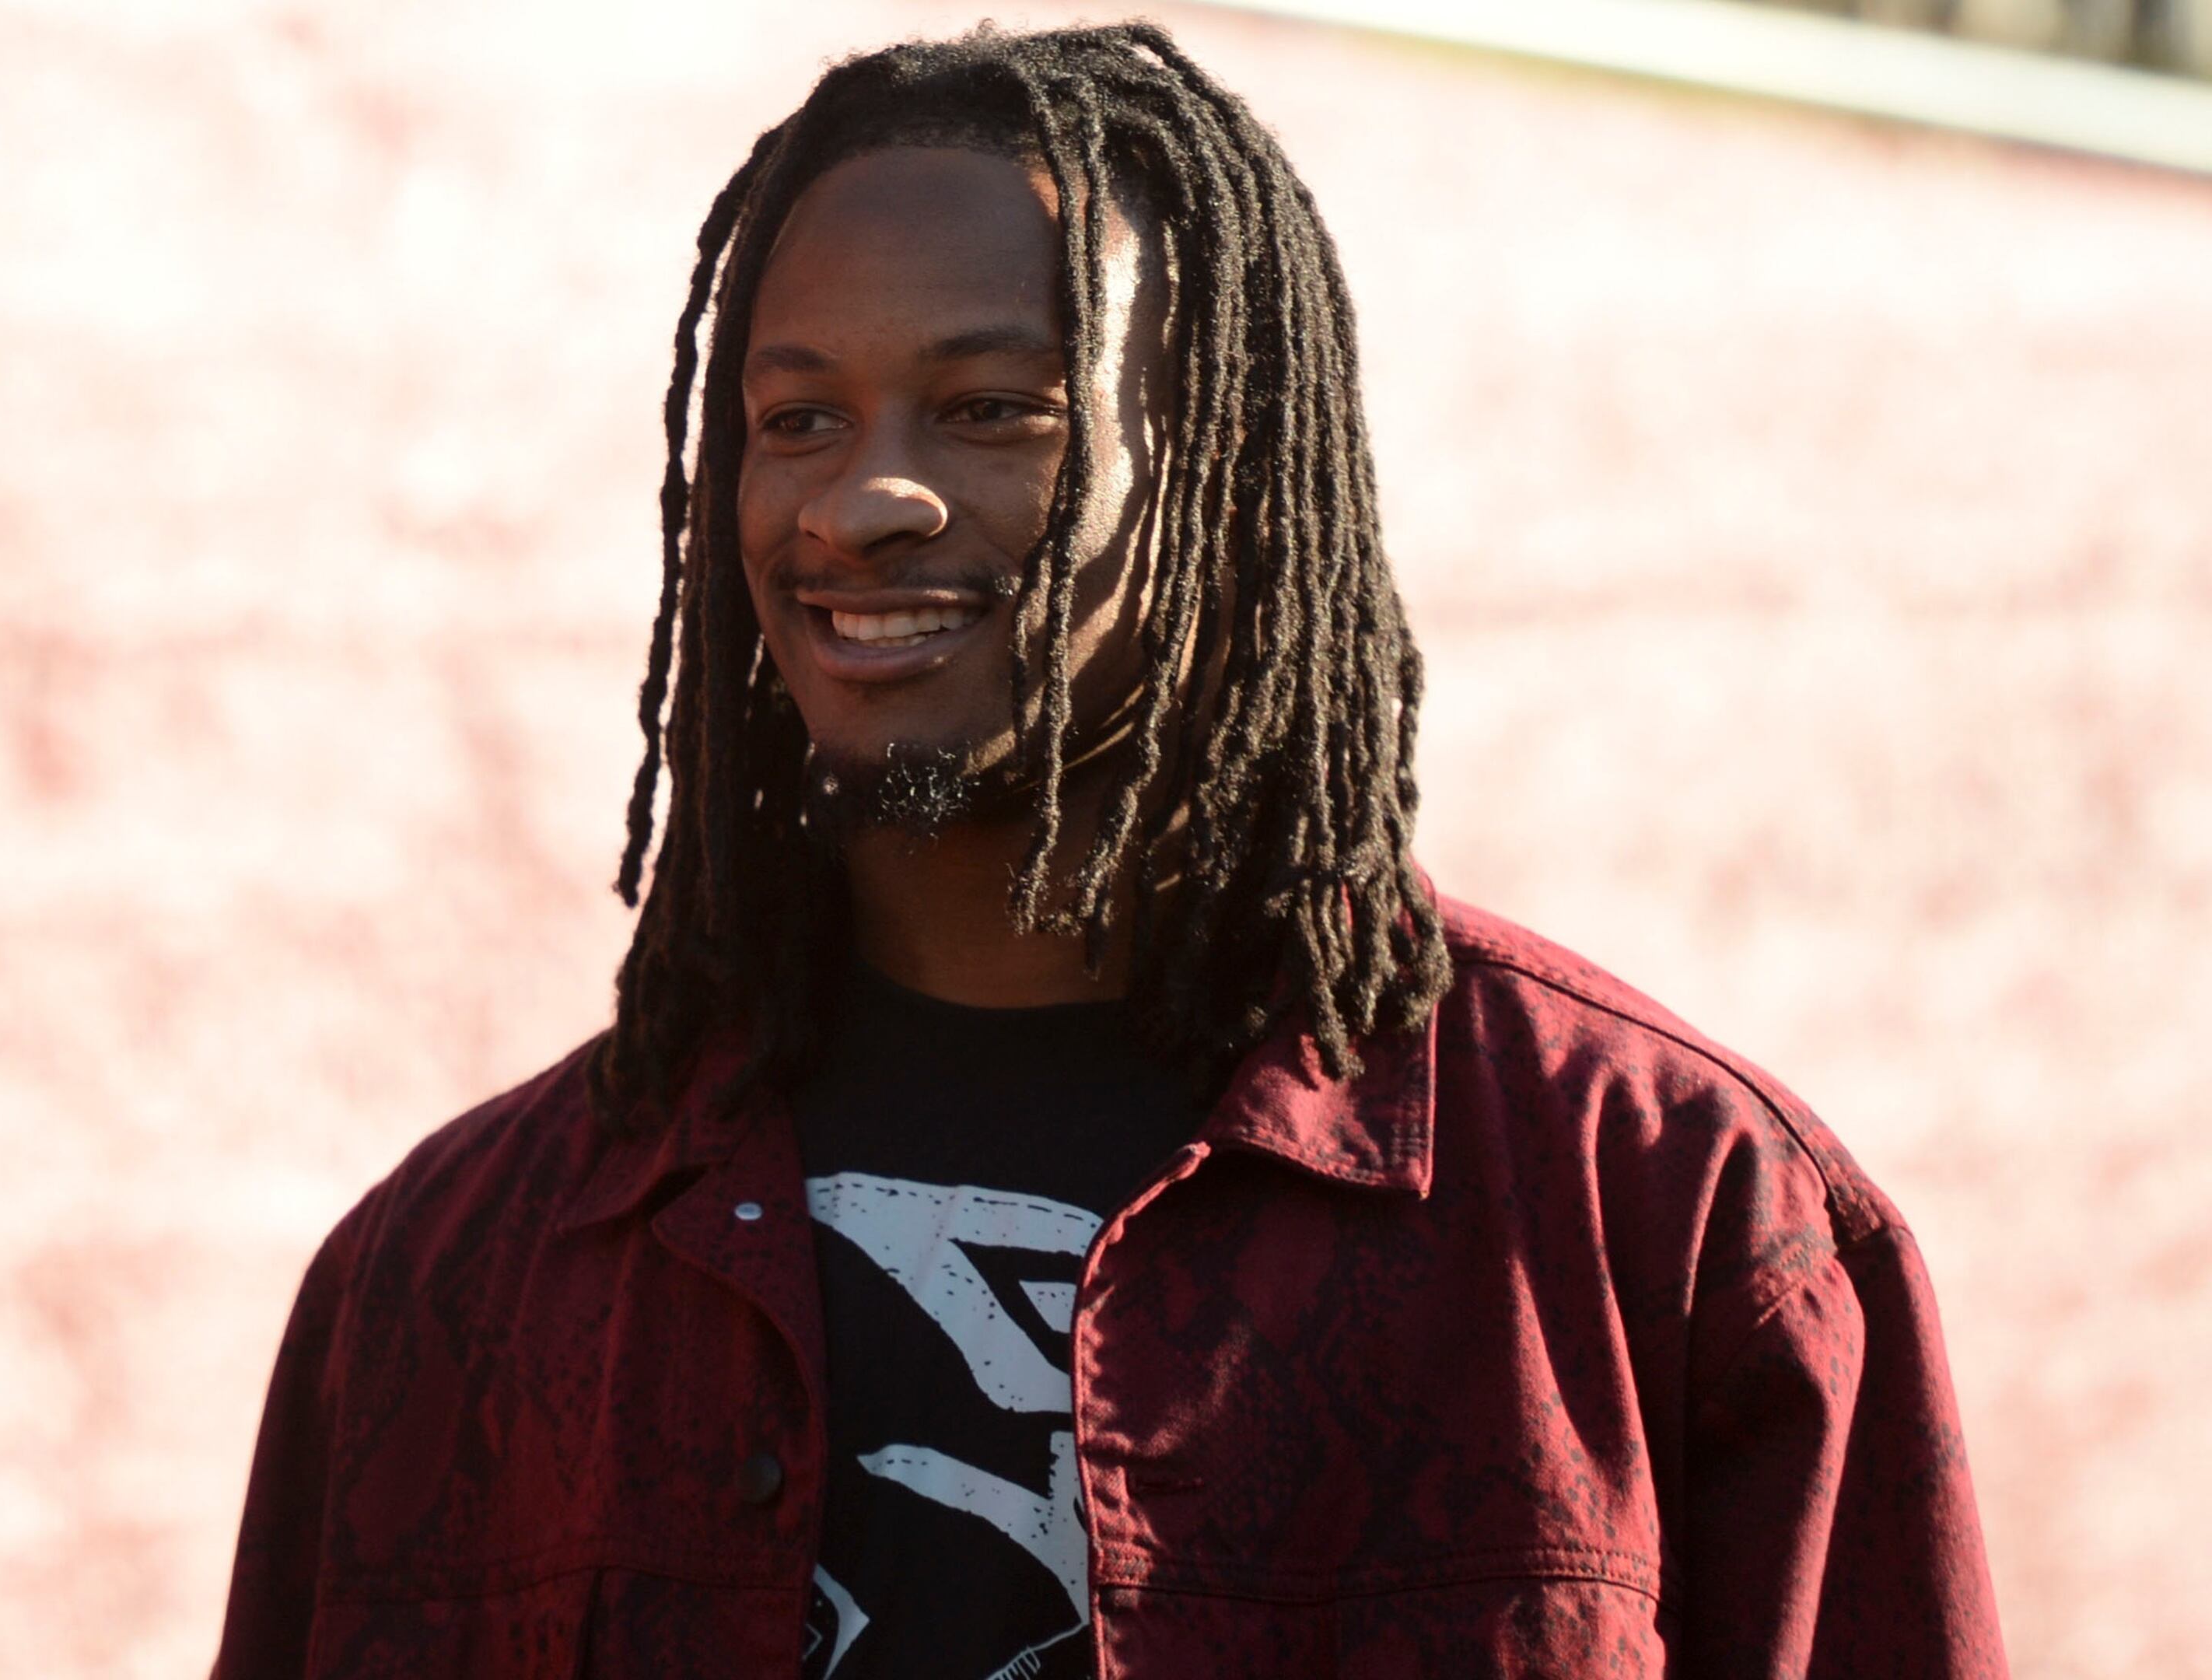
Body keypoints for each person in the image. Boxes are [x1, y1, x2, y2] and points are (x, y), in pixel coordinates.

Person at [212, 23, 2004, 1678]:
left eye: (996, 406)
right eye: (797, 418)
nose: (862, 499)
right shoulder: (445, 1283)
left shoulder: (1668, 1219)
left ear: (1229, 474)